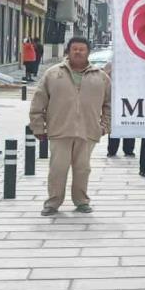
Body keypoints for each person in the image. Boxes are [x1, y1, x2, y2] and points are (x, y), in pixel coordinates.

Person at [30, 37, 111, 216]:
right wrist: (37, 126)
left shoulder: (100, 76)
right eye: (74, 49)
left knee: (83, 168)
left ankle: (82, 201)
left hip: (88, 130)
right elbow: (39, 100)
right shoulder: (53, 73)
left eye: (82, 49)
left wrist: (105, 126)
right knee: (58, 169)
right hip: (60, 130)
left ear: (88, 52)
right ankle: (52, 203)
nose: (78, 52)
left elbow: (109, 104)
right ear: (68, 51)